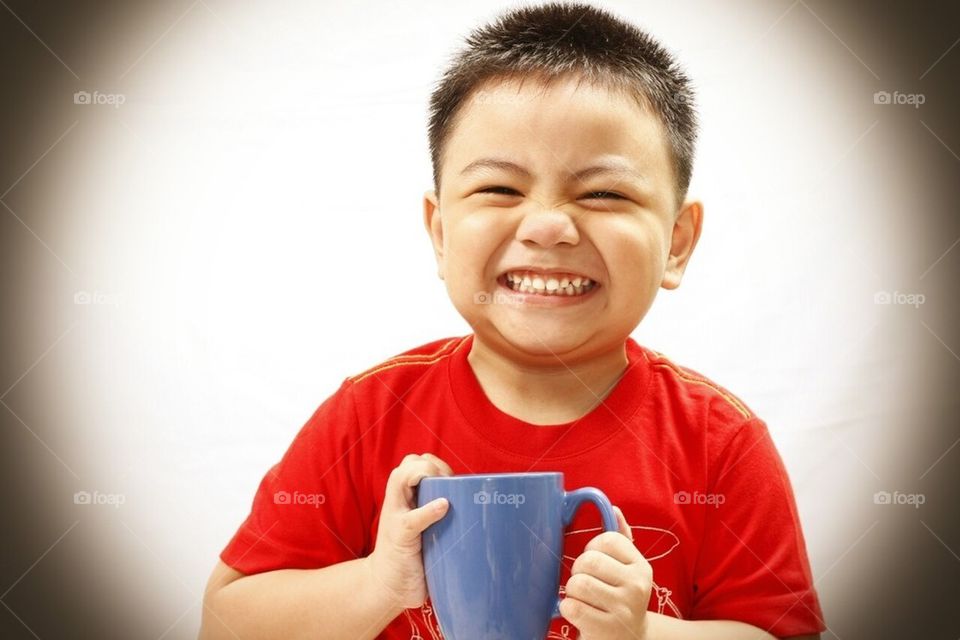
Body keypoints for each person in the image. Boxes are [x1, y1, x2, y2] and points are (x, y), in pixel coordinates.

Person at [199, 3, 826, 638]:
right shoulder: (368, 415)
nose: (548, 226)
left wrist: (644, 632)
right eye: (500, 189)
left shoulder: (720, 443)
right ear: (441, 234)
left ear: (677, 243)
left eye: (604, 193)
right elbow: (225, 621)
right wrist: (377, 584)